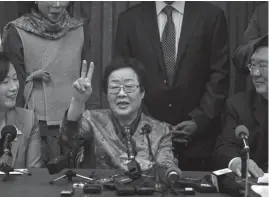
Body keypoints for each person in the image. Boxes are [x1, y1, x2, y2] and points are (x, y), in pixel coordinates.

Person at [114, 1, 230, 170]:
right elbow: (123, 75)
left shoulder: (211, 16)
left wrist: (200, 119)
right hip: (144, 141)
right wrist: (150, 123)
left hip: (199, 142)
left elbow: (220, 74)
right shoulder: (129, 20)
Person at [1, 1, 99, 164]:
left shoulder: (80, 29)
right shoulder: (17, 31)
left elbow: (88, 79)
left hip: (74, 125)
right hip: (34, 127)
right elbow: (10, 86)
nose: (58, 4)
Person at [58, 57, 177, 175]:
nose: (121, 93)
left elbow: (169, 170)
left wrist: (147, 166)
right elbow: (66, 139)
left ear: (142, 93)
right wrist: (78, 101)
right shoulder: (92, 120)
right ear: (107, 94)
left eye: (129, 87)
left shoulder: (161, 130)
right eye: (114, 87)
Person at [214, 34, 268, 178]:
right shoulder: (239, 105)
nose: (255, 74)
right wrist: (236, 161)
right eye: (253, 65)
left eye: (262, 66)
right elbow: (224, 148)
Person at [0, 52, 43, 168]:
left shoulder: (28, 120)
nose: (14, 87)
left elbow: (34, 175)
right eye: (5, 82)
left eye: (15, 79)